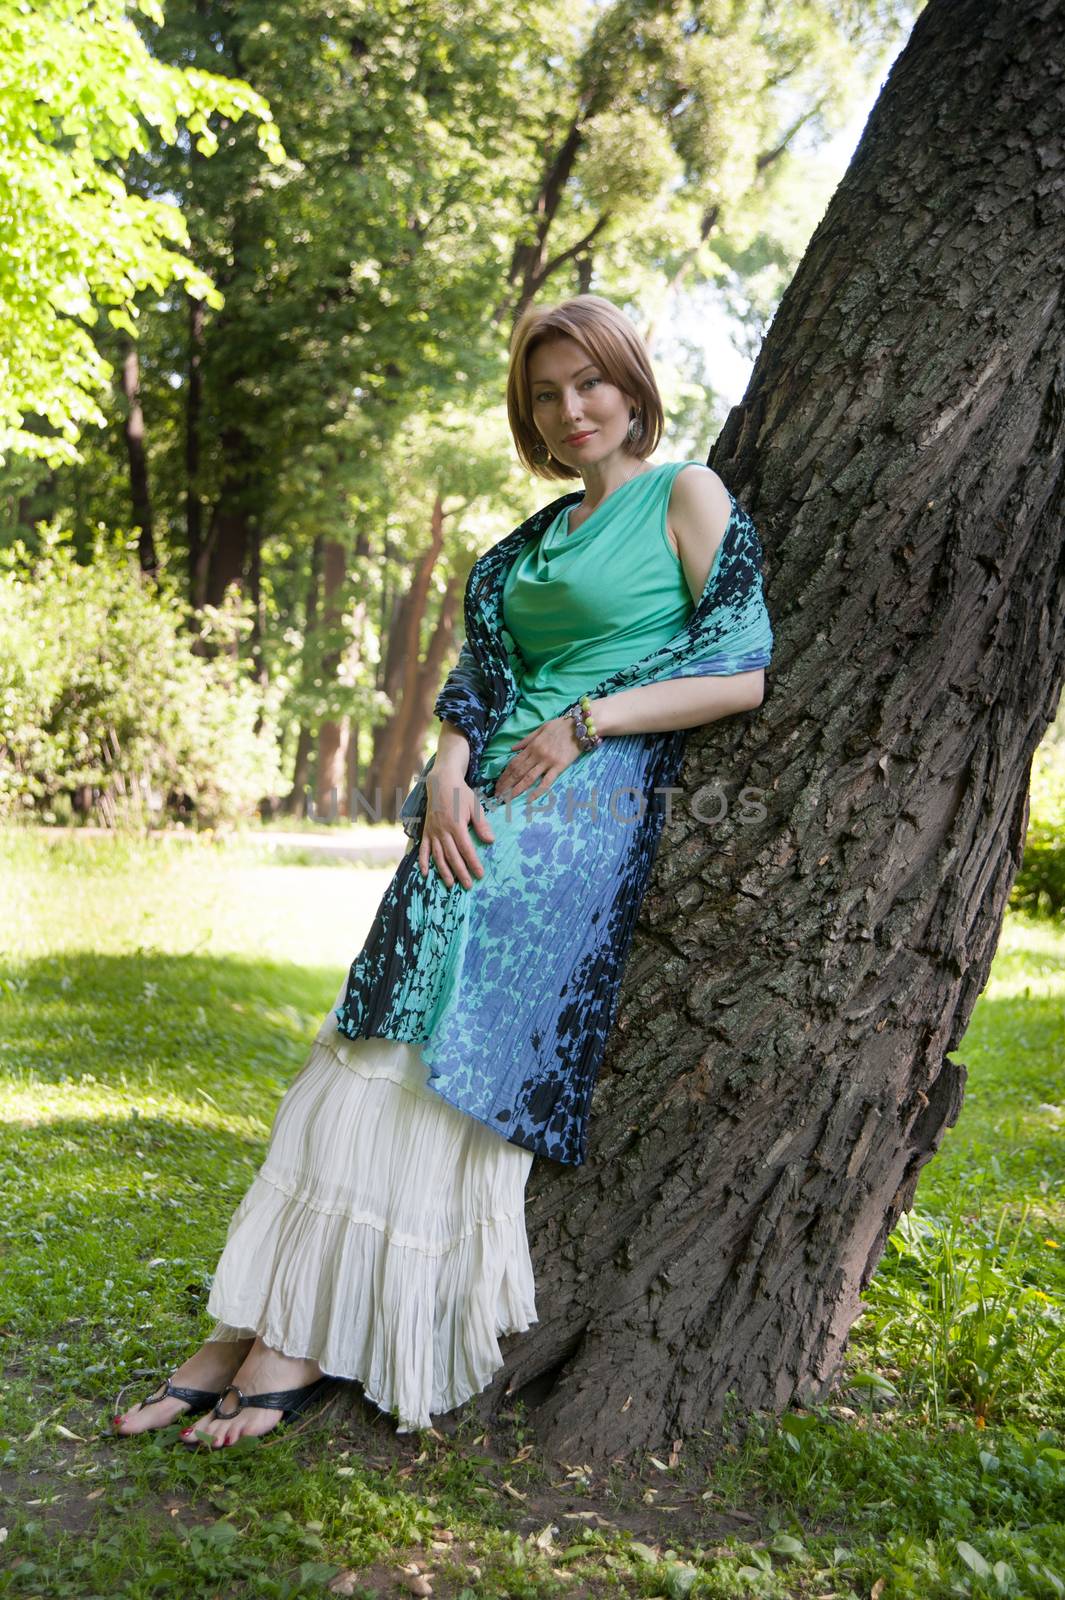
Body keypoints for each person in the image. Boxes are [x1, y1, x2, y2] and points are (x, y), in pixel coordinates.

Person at [113, 293, 771, 1447]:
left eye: (590, 384)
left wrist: (587, 722)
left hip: (584, 808)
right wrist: (452, 769)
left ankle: (299, 1339)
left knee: (431, 1047)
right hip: (470, 802)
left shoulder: (690, 495)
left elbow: (742, 667)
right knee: (372, 1036)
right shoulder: (525, 544)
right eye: (546, 395)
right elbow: (474, 681)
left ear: (631, 385)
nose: (572, 410)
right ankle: (249, 1321)